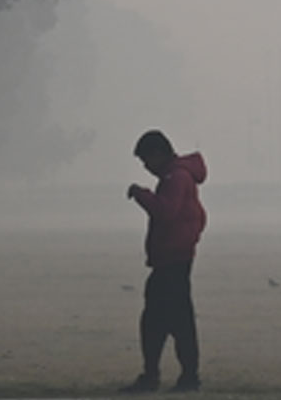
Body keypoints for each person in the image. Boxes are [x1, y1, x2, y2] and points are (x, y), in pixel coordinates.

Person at [121, 130, 208, 393]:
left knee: (165, 321)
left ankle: (168, 377)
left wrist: (141, 194)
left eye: (146, 160)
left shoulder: (176, 178)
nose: (146, 166)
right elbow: (197, 216)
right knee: (171, 319)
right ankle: (178, 376)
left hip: (172, 261)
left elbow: (165, 212)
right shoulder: (180, 176)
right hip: (175, 259)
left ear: (158, 153)